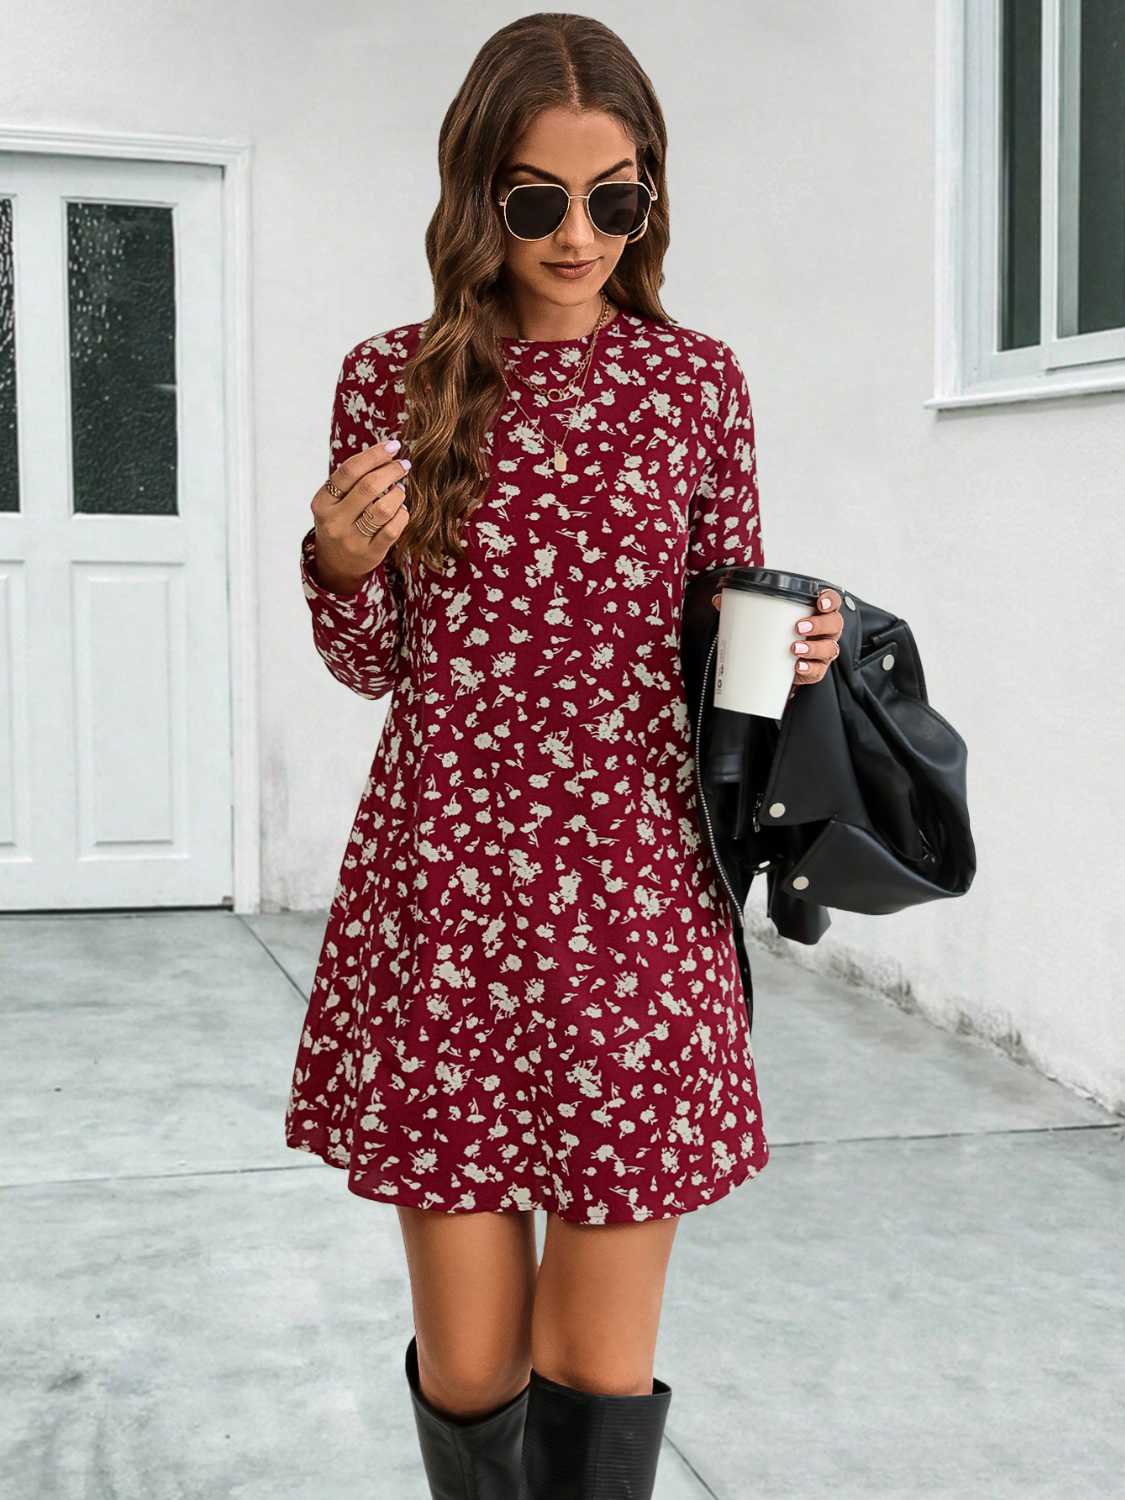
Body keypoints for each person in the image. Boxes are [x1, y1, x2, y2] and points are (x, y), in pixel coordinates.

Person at [285, 13, 844, 1498]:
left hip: (634, 895)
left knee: (595, 1363)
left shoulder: (695, 383)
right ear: (479, 192)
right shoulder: (392, 380)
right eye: (538, 200)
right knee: (473, 1366)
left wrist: (799, 647)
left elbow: (727, 643)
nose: (580, 235)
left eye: (616, 198)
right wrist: (337, 570)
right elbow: (374, 666)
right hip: (451, 894)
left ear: (649, 197)